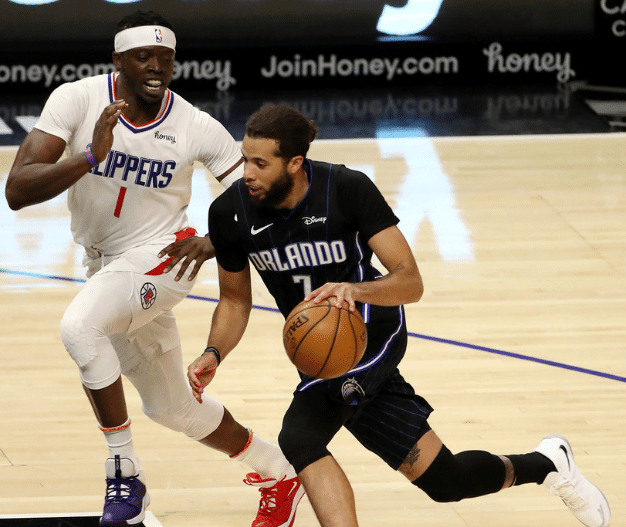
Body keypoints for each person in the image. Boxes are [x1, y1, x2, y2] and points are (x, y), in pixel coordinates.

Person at [187, 102, 611, 527]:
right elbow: (234, 301)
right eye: (245, 159)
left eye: (260, 163)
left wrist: (354, 290)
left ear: (295, 163)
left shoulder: (346, 188)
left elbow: (410, 281)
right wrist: (213, 352)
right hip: (324, 351)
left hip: (371, 335)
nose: (247, 172)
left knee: (300, 436)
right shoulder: (230, 213)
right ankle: (549, 463)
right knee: (446, 480)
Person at [4, 12, 303, 527]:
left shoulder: (194, 124)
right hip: (104, 264)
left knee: (80, 327)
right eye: (144, 57)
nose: (157, 67)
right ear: (118, 61)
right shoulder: (76, 100)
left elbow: (261, 196)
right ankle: (280, 474)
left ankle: (125, 474)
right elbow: (17, 190)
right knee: (173, 409)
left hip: (165, 258)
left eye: (166, 58)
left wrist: (216, 241)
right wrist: (89, 158)